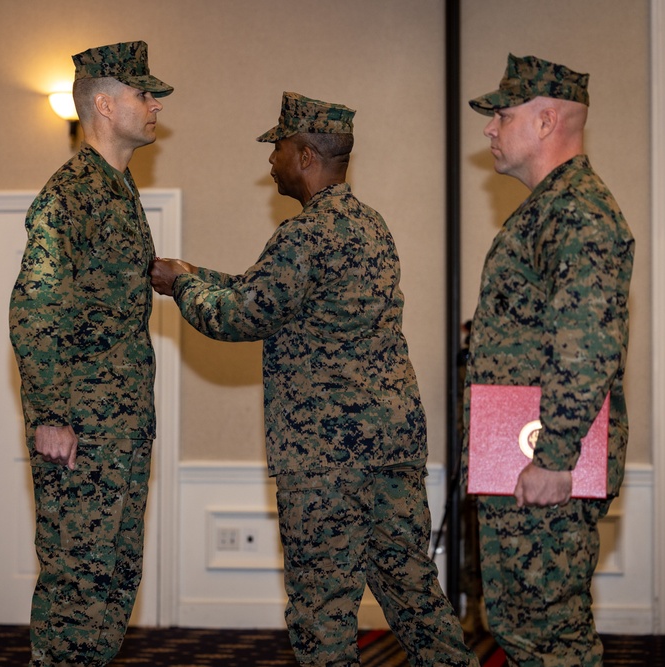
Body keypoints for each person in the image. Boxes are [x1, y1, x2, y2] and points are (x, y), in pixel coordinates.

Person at [150, 92, 477, 667]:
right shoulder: (370, 227)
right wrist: (197, 272)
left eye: (276, 149)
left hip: (326, 459)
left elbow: (241, 314)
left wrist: (181, 287)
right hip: (391, 450)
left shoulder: (305, 236)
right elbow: (272, 293)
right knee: (416, 599)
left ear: (304, 155)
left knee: (323, 612)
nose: (269, 162)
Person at [463, 54, 634, 666]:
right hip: (518, 457)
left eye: (502, 115)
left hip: (544, 468)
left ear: (545, 122)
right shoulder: (547, 209)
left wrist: (556, 457)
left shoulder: (577, 213)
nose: (489, 128)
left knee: (549, 638)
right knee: (520, 626)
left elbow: (587, 342)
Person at [9, 40, 172, 667]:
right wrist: (50, 412)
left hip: (121, 431)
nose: (154, 104)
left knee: (110, 586)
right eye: (143, 93)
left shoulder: (119, 190)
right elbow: (35, 309)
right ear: (104, 104)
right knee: (78, 588)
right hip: (80, 431)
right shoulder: (70, 194)